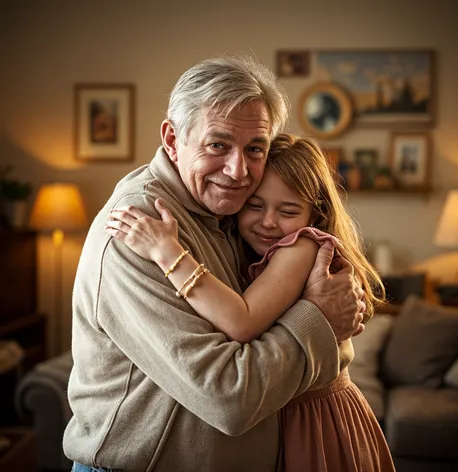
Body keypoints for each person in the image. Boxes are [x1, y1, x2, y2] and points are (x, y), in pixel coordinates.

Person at [64, 56, 366, 472]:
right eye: (218, 144)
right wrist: (321, 322)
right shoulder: (140, 229)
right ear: (172, 138)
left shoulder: (230, 210)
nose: (238, 170)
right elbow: (229, 398)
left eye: (254, 148)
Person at [106, 133, 395, 471]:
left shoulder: (300, 248)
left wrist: (167, 252)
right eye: (255, 205)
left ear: (315, 215)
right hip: (287, 413)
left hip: (315, 418)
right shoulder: (248, 247)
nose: (268, 221)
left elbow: (242, 322)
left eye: (288, 210)